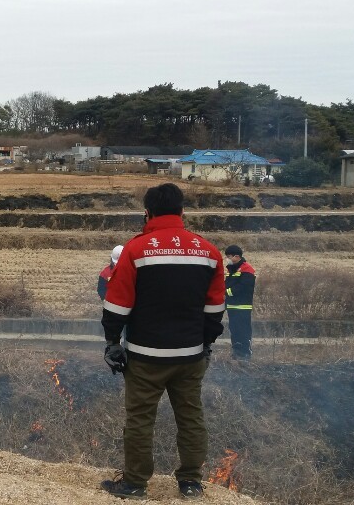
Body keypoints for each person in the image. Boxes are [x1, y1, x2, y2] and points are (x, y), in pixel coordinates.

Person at [100, 183, 226, 500]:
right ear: (182, 212)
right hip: (191, 356)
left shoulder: (136, 249)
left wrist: (113, 342)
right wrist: (206, 344)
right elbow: (215, 309)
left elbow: (117, 304)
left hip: (145, 357)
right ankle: (191, 483)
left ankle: (135, 484)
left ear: (147, 213)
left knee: (141, 420)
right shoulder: (208, 252)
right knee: (191, 417)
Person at [224, 245, 256, 360]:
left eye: (228, 256)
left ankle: (245, 355)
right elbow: (226, 284)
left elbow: (243, 287)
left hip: (242, 307)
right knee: (234, 331)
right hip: (232, 306)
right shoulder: (231, 269)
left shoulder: (246, 269)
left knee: (243, 331)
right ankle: (236, 354)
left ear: (236, 256)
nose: (227, 259)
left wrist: (226, 292)